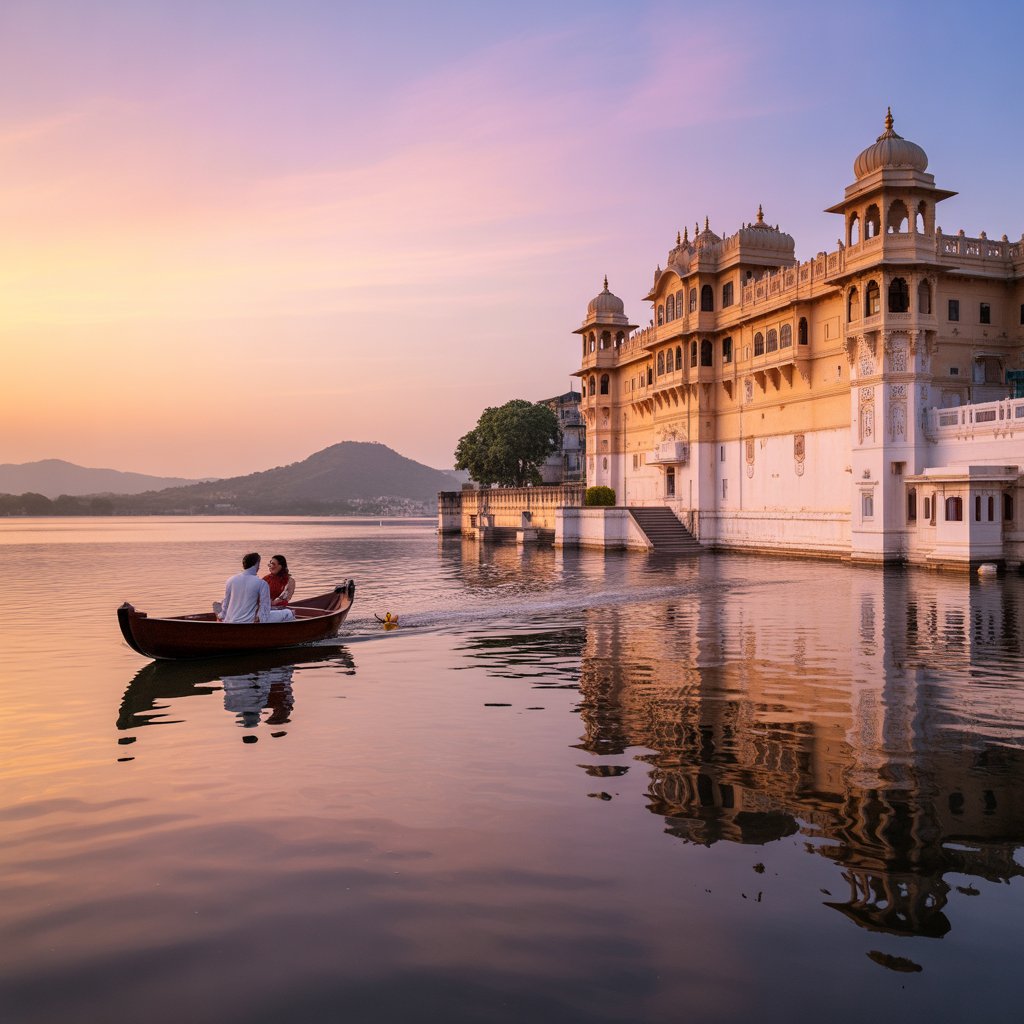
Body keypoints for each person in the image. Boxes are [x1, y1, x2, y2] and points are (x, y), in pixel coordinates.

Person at [215, 552, 294, 623]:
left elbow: (226, 603)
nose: (259, 567)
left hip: (230, 621)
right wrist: (258, 618)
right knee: (288, 613)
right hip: (250, 621)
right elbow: (264, 609)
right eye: (259, 564)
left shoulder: (230, 580)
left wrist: (222, 617)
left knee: (219, 604)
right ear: (257, 564)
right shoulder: (262, 583)